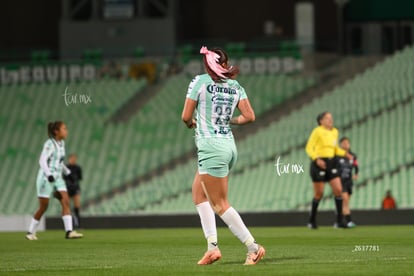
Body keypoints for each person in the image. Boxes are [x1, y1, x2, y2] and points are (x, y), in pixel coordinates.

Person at [181, 46, 265, 265]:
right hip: (228, 146)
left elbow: (185, 116)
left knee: (220, 204)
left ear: (209, 64)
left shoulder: (199, 82)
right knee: (198, 195)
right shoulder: (235, 86)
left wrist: (191, 123)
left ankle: (253, 247)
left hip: (211, 148)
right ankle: (212, 248)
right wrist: (230, 120)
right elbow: (249, 116)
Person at [26, 121, 83, 240]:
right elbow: (42, 160)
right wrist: (48, 174)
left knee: (66, 201)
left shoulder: (62, 143)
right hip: (46, 178)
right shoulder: (49, 144)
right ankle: (30, 232)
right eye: (64, 128)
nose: (66, 131)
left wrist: (68, 172)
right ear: (56, 131)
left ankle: (69, 231)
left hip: (57, 178)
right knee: (43, 207)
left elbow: (60, 161)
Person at [305, 112, 353, 229]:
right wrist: (316, 159)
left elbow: (335, 148)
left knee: (338, 189)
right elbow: (309, 147)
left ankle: (339, 221)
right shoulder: (317, 131)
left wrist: (345, 154)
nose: (330, 120)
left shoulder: (335, 132)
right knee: (319, 193)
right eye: (327, 118)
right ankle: (312, 221)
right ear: (321, 121)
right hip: (319, 163)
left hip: (332, 163)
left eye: (331, 118)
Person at [337, 137, 359, 228]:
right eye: (344, 143)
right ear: (340, 145)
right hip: (341, 181)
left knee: (345, 203)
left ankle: (339, 221)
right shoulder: (338, 156)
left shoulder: (352, 156)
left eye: (347, 143)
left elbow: (356, 165)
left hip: (349, 181)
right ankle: (349, 221)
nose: (346, 145)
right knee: (345, 200)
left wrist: (356, 174)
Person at [63, 153, 83, 228]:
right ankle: (68, 225)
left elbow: (80, 178)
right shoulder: (66, 167)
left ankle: (77, 224)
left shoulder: (78, 168)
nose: (73, 160)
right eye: (72, 158)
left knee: (77, 206)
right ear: (69, 159)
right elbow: (64, 177)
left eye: (74, 158)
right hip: (67, 188)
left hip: (75, 188)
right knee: (67, 206)